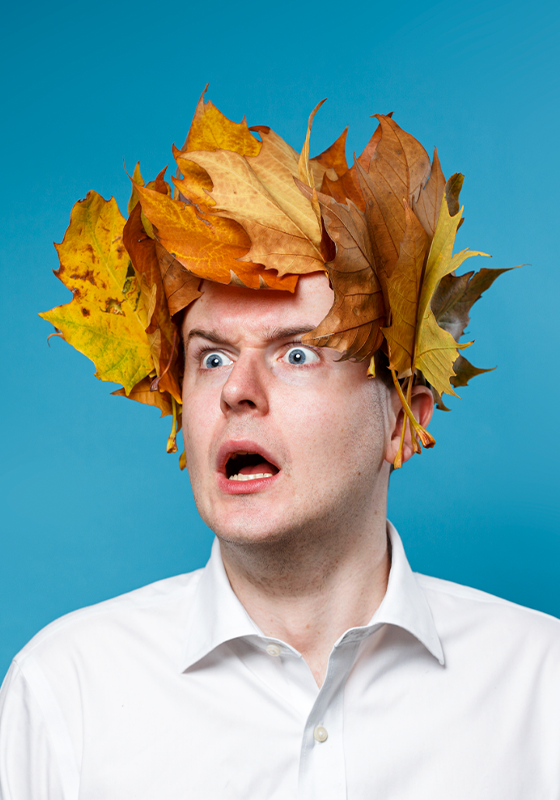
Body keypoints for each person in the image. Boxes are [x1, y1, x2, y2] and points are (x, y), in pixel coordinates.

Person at [1, 93, 559, 799]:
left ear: (403, 425)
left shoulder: (543, 692)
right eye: (209, 357)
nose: (238, 389)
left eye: (297, 355)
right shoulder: (66, 692)